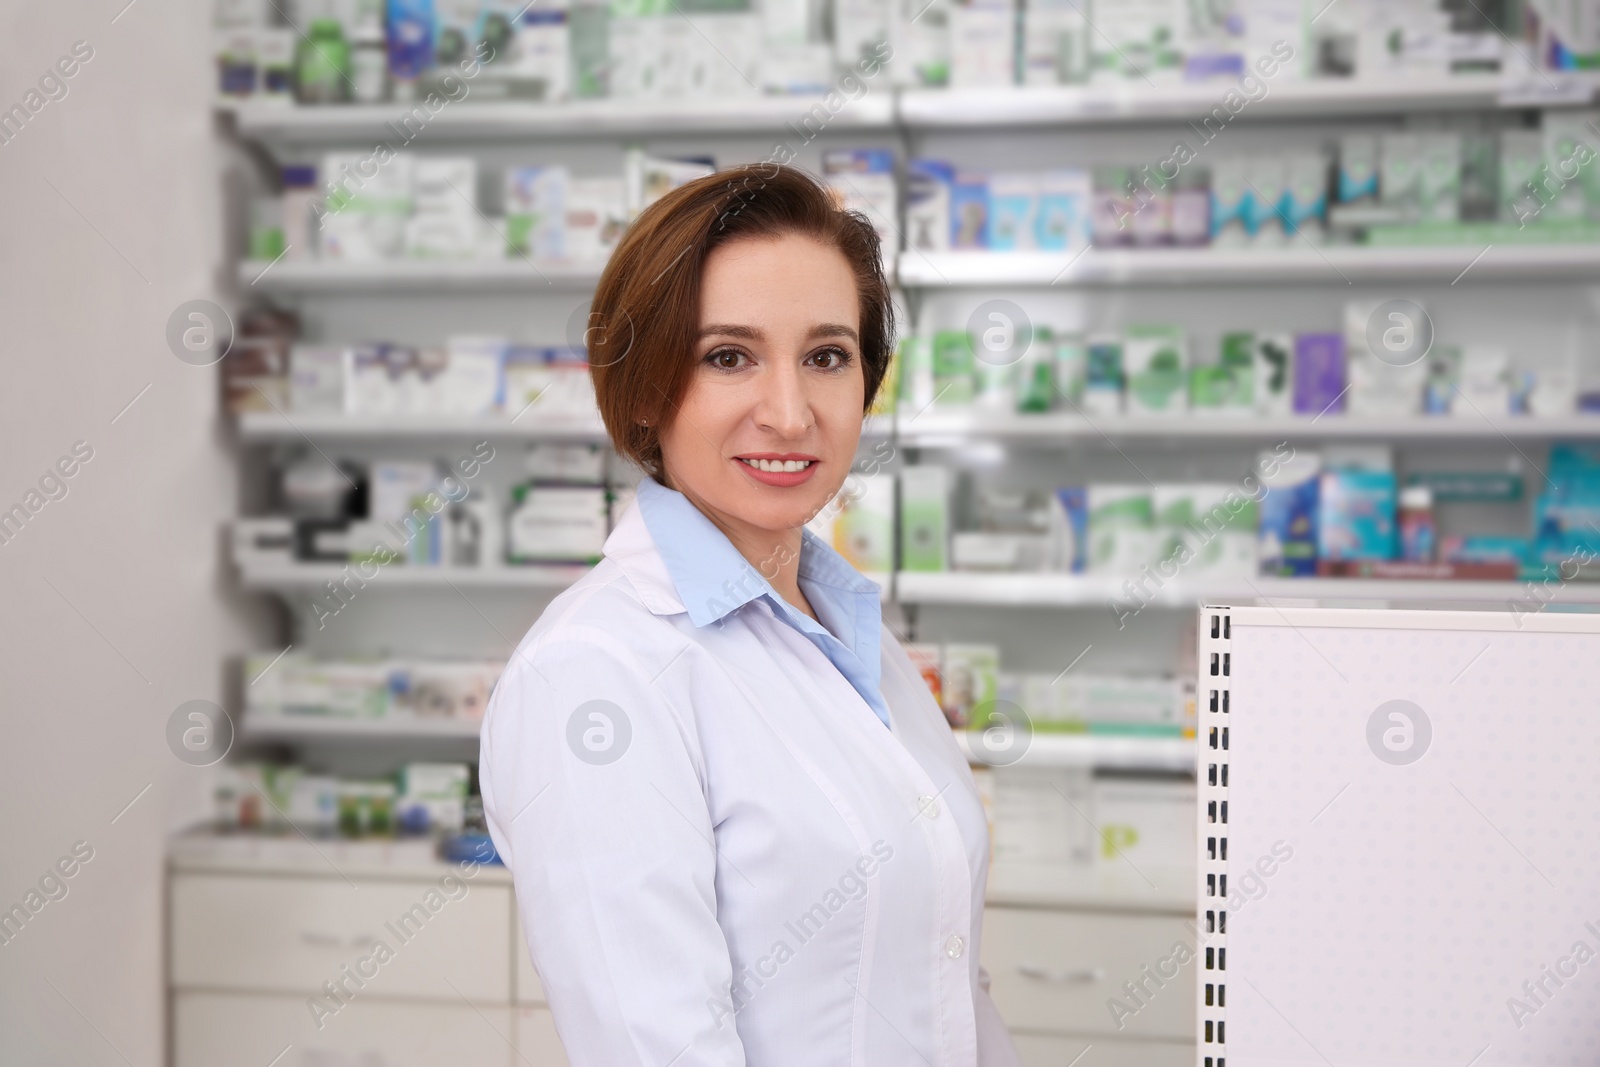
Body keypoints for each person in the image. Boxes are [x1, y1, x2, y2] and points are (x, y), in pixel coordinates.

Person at [480, 162, 1023, 1066]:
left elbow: (948, 989)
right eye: (728, 356)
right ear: (649, 387)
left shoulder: (856, 632)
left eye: (826, 356)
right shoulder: (596, 673)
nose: (790, 411)